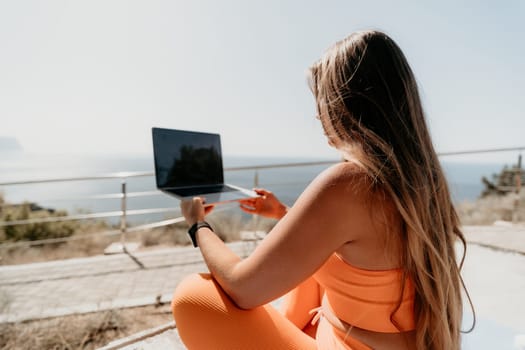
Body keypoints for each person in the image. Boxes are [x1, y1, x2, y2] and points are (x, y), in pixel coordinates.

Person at [172, 30, 472, 350]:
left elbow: (243, 288)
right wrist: (282, 214)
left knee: (193, 296)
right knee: (309, 263)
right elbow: (367, 249)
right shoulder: (422, 182)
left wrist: (198, 224)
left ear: (347, 104)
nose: (317, 114)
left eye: (322, 100)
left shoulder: (351, 183)